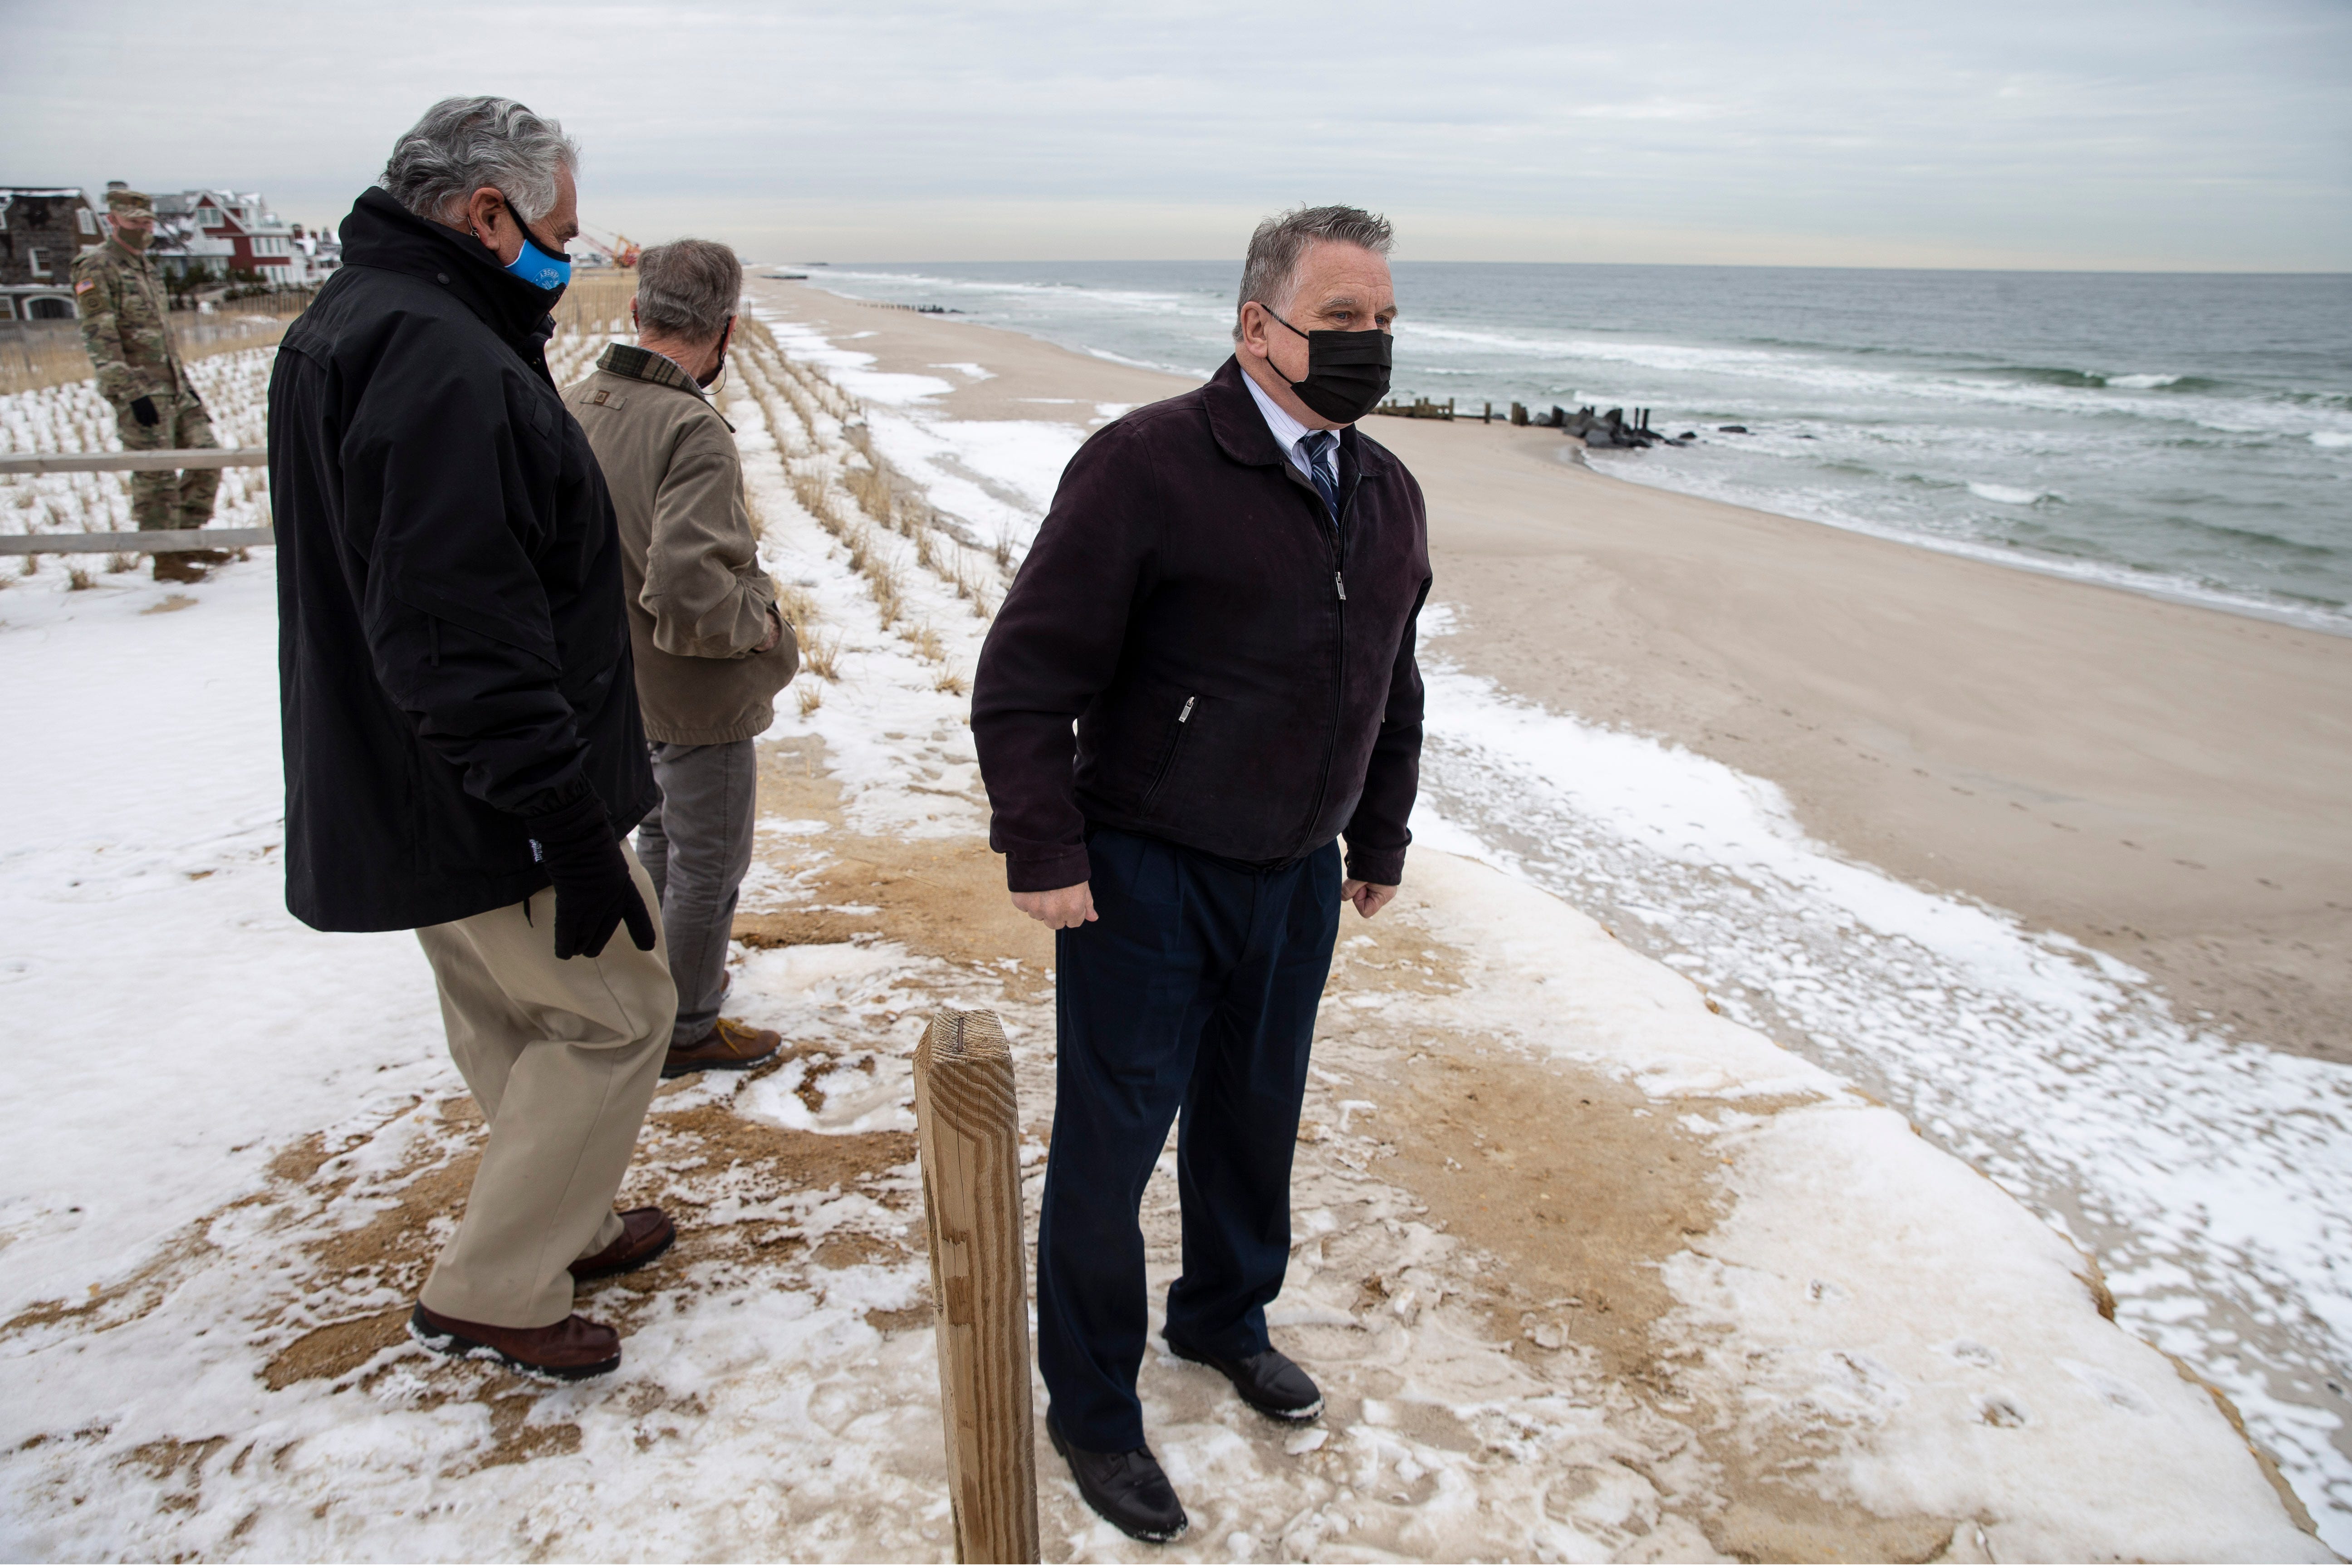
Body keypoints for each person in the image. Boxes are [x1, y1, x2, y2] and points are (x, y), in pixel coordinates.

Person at [971, 205, 1431, 1541]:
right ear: (1255, 325)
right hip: (1143, 872)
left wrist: (1377, 835)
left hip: (1293, 877)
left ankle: (1225, 1319)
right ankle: (1095, 1412)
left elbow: (1393, 679)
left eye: (1386, 324)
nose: (1369, 346)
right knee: (1114, 1151)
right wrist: (1045, 847)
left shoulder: (1386, 489)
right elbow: (1026, 678)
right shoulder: (1147, 466)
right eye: (1341, 321)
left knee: (1252, 1119)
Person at [268, 96, 677, 1381]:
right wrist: (567, 825)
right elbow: (456, 628)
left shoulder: (364, 318)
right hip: (489, 788)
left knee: (509, 1011)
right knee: (616, 1015)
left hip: (420, 775)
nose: (569, 254)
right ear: (483, 215)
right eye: (557, 230)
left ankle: (565, 1214)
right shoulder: (437, 355)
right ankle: (495, 1289)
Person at [564, 239, 798, 1079]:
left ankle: (664, 987)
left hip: (617, 681)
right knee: (709, 864)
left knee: (661, 837)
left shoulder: (577, 401)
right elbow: (691, 589)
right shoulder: (690, 426)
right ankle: (687, 1025)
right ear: (726, 328)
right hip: (696, 695)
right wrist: (765, 629)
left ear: (637, 312)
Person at [72, 186, 225, 584]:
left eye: (148, 222)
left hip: (174, 386)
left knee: (206, 456)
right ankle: (165, 557)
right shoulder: (97, 267)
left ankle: (187, 539)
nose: (144, 229)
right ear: (113, 221)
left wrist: (187, 389)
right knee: (156, 475)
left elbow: (161, 339)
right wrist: (130, 392)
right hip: (140, 391)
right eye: (136, 222)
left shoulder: (145, 268)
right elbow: (99, 338)